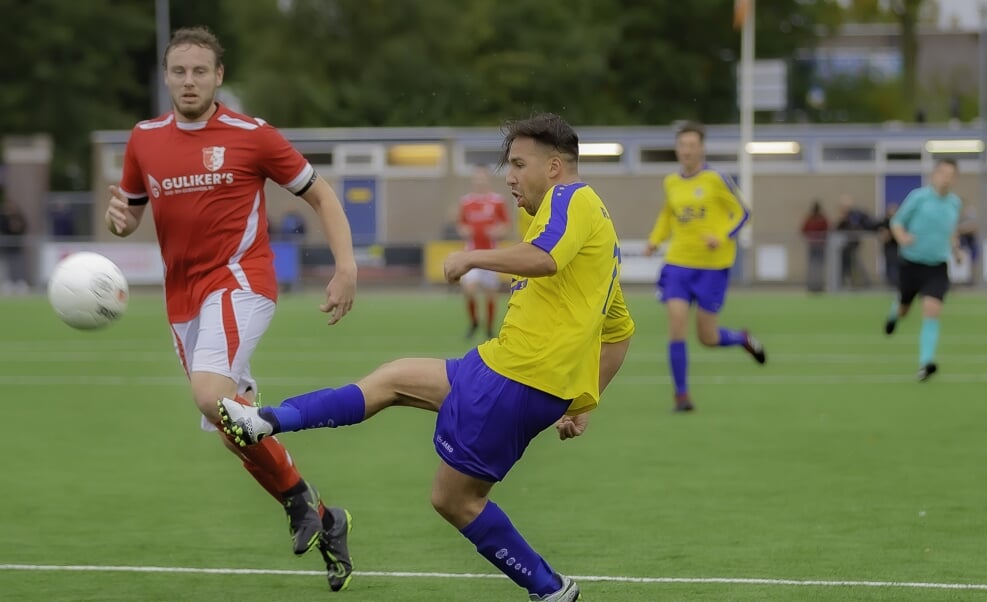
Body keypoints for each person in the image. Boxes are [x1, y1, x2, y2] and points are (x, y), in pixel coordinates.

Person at [217, 113, 634, 601]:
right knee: (393, 381)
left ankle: (549, 589)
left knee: (456, 500)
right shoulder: (597, 237)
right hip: (502, 368)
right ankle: (266, 420)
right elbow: (620, 332)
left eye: (520, 164)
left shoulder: (572, 199)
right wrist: (584, 403)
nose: (510, 176)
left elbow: (544, 257)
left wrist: (473, 256)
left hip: (516, 379)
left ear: (556, 166)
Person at [104, 26, 358, 591]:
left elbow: (322, 194)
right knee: (230, 423)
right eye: (178, 71)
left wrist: (346, 266)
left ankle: (298, 503)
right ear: (166, 78)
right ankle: (314, 511)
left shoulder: (254, 135)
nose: (188, 81)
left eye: (200, 71)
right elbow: (128, 214)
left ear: (219, 77)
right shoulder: (144, 138)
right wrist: (118, 223)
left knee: (207, 393)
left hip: (240, 281)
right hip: (182, 298)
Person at [642, 120, 765, 413]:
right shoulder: (671, 182)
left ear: (701, 148)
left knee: (707, 337)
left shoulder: (716, 179)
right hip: (678, 265)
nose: (686, 150)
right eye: (682, 145)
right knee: (676, 325)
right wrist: (654, 241)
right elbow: (667, 216)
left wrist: (721, 236)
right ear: (677, 149)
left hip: (713, 267)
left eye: (692, 145)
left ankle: (742, 338)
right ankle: (681, 396)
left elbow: (743, 212)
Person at [883, 158, 963, 381]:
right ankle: (894, 313)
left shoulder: (954, 203)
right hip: (912, 264)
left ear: (955, 178)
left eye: (951, 174)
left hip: (937, 266)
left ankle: (925, 363)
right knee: (904, 310)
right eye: (942, 173)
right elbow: (897, 222)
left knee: (931, 310)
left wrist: (956, 251)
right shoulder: (919, 197)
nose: (946, 178)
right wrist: (903, 237)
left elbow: (952, 232)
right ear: (934, 175)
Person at [456, 165, 510, 339]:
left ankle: (488, 329)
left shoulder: (497, 201)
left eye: (483, 177)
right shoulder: (466, 202)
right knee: (469, 289)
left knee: (490, 294)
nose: (480, 180)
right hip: (471, 254)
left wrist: (498, 232)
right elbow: (460, 223)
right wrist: (464, 230)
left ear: (487, 179)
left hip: (491, 254)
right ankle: (474, 322)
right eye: (477, 177)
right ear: (473, 180)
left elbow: (505, 224)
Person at [834, 194, 876, 289]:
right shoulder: (842, 218)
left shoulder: (856, 215)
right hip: (844, 246)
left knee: (855, 263)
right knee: (845, 265)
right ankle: (844, 283)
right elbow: (836, 229)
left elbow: (866, 223)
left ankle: (865, 283)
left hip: (853, 244)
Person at [0, 191, 29, 295]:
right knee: (8, 265)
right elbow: (3, 229)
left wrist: (17, 227)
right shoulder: (3, 217)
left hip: (17, 246)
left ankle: (20, 283)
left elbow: (24, 226)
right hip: (7, 246)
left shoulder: (19, 216)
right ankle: (8, 283)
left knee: (19, 264)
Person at [800, 200, 829, 293]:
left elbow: (828, 230)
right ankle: (812, 286)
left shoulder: (821, 219)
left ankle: (817, 286)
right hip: (814, 246)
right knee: (813, 267)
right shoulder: (811, 219)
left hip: (819, 246)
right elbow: (803, 229)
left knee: (817, 267)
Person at [877, 203, 901, 288]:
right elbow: (883, 236)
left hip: (898, 248)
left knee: (897, 265)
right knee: (890, 265)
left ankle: (897, 283)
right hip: (889, 248)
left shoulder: (899, 222)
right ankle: (891, 283)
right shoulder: (885, 222)